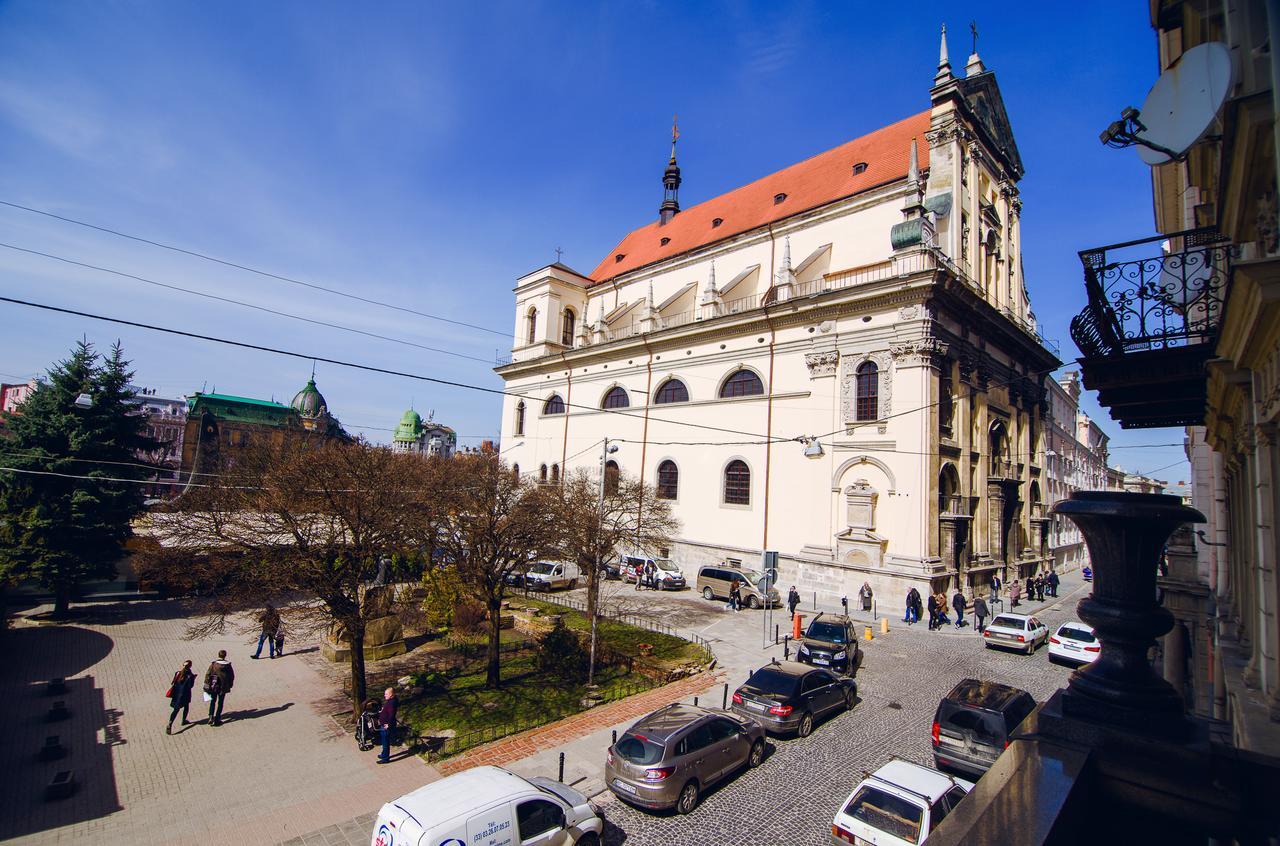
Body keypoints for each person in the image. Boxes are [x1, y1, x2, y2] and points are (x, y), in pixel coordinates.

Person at [204, 650, 234, 727]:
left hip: (214, 686)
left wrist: (206, 685)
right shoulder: (228, 665)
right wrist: (230, 685)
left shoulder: (214, 664)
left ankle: (211, 716)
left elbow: (208, 674)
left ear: (218, 655)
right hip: (223, 687)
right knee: (220, 703)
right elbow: (231, 676)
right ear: (225, 656)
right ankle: (217, 719)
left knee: (213, 702)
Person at [166, 659, 196, 734]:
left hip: (176, 694)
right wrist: (194, 679)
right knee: (186, 706)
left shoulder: (178, 673)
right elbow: (191, 686)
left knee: (176, 710)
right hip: (185, 694)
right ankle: (183, 720)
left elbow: (173, 682)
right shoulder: (190, 675)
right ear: (190, 666)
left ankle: (170, 723)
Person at [377, 687, 398, 764]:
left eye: (386, 694)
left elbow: (391, 715)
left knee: (385, 742)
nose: (384, 695)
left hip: (386, 726)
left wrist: (388, 724)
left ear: (391, 695)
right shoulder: (390, 701)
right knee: (384, 741)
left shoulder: (391, 703)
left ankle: (385, 758)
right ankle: (383, 754)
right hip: (384, 724)